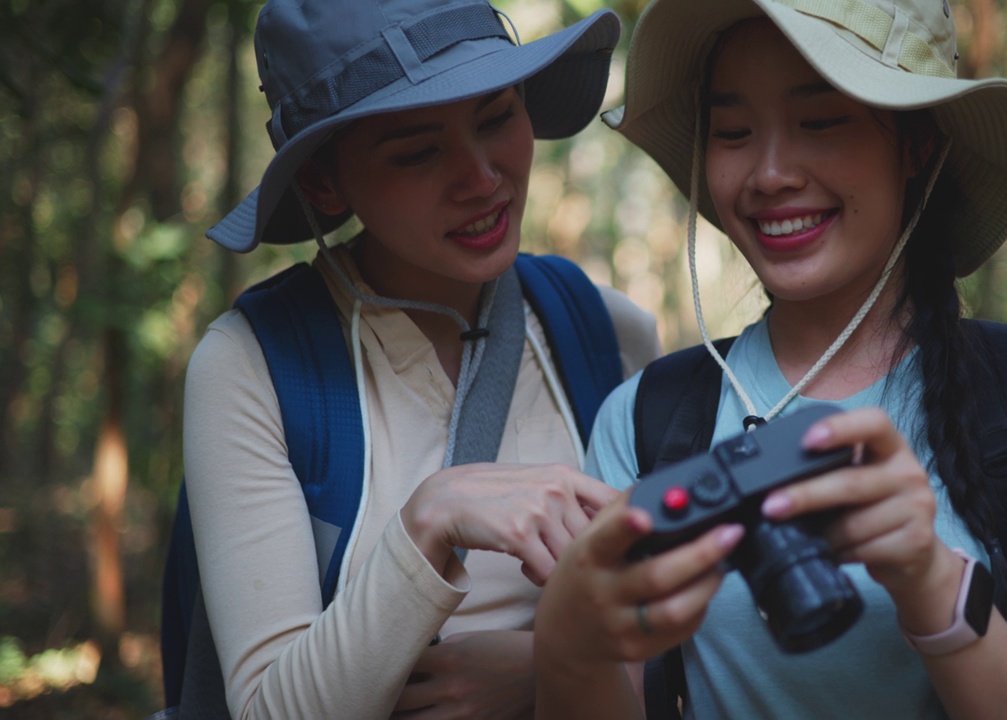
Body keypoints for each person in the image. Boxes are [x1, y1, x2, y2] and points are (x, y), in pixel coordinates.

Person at [532, 0, 1007, 717]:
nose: (771, 172)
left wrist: (931, 583)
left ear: (918, 146)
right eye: (733, 132)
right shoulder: (645, 421)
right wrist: (570, 639)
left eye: (821, 121)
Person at [179, 0, 660, 717]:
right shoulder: (254, 368)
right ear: (323, 182)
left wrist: (547, 666)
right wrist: (433, 515)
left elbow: (671, 626)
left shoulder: (601, 332)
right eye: (416, 151)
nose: (481, 178)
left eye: (496, 117)